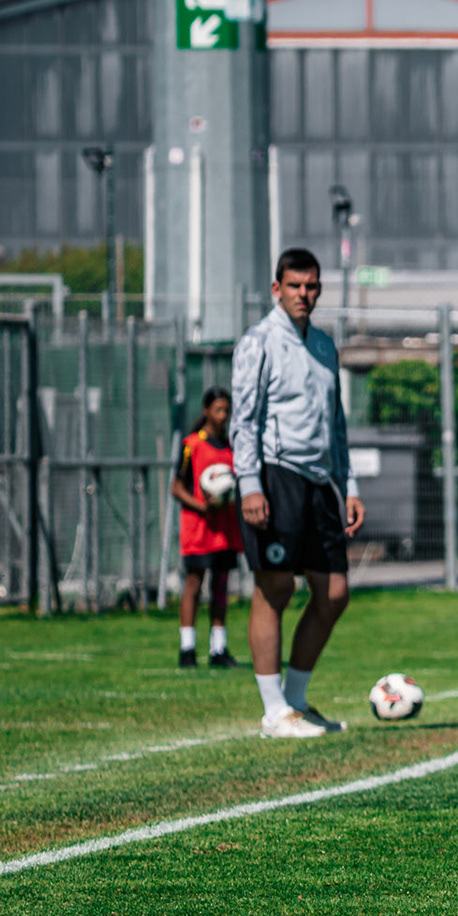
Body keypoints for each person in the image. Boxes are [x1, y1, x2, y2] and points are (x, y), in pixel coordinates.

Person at [231, 247, 364, 738]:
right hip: (274, 475)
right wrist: (249, 485)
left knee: (334, 593)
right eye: (294, 286)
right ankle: (272, 711)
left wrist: (347, 485)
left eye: (311, 286)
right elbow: (244, 420)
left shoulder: (325, 345)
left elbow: (337, 425)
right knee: (276, 586)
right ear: (276, 288)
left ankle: (296, 701)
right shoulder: (258, 342)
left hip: (320, 481)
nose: (304, 294)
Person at [171, 386, 243, 669]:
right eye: (218, 410)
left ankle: (218, 649)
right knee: (194, 584)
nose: (223, 415)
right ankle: (187, 649)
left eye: (226, 410)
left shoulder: (230, 448)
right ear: (206, 411)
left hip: (224, 528)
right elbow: (176, 488)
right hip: (199, 527)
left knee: (221, 585)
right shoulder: (192, 445)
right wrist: (203, 506)